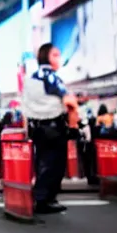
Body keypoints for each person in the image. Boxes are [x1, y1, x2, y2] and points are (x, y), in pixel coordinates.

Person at [22, 43, 79, 214]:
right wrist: (74, 125)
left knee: (42, 163)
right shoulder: (51, 77)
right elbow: (69, 102)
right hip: (54, 127)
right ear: (46, 56)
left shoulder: (31, 78)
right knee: (55, 164)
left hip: (38, 128)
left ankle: (41, 197)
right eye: (55, 55)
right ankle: (46, 200)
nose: (59, 58)